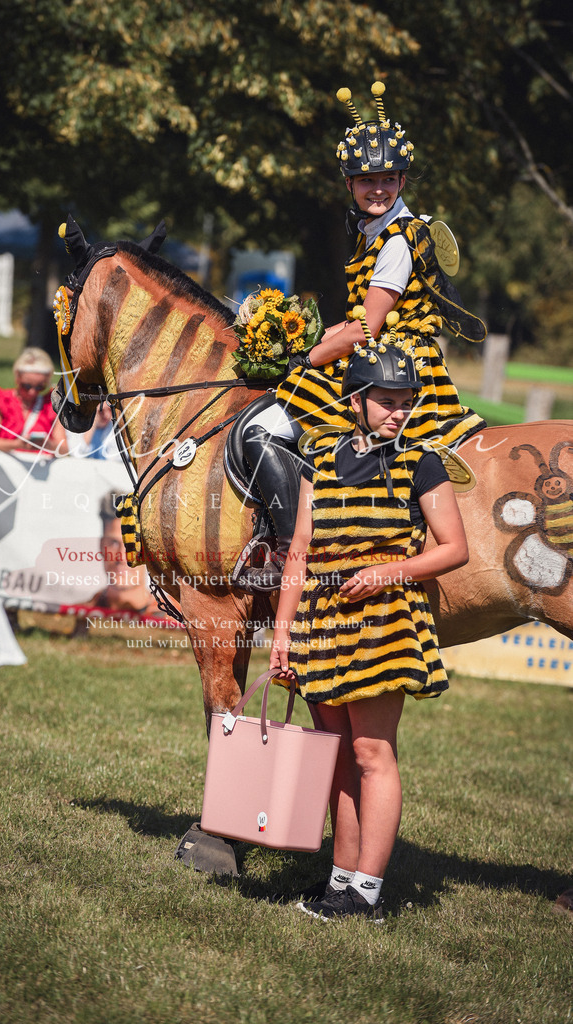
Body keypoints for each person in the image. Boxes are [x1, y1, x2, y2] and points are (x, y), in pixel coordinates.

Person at [236, 81, 484, 591]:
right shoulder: (376, 231)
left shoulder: (397, 239)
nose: (378, 189)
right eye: (367, 180)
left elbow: (370, 324)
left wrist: (307, 357)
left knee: (266, 429)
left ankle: (288, 553)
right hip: (380, 355)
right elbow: (359, 320)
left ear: (402, 181)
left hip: (392, 364)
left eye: (388, 180)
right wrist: (314, 339)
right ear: (349, 183)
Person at [269, 336, 469, 921]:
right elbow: (300, 552)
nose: (399, 410)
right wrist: (282, 635)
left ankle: (369, 891)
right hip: (321, 620)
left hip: (384, 622)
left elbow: (454, 549)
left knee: (371, 752)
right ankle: (340, 881)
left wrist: (390, 571)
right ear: (356, 399)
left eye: (405, 400)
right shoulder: (319, 458)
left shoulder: (422, 461)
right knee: (335, 754)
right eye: (386, 400)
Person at [0, 347, 69, 456]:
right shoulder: (1, 400)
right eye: (27, 386)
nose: (32, 392)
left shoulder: (51, 405)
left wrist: (47, 444)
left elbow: (64, 449)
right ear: (17, 377)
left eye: (40, 387)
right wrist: (17, 444)